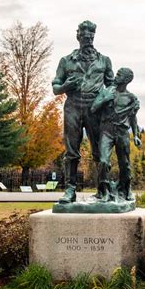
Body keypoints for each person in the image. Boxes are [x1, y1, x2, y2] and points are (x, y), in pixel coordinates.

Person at [52, 20, 114, 203]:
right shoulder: (66, 61)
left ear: (94, 37)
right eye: (84, 35)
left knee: (99, 151)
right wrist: (65, 86)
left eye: (91, 35)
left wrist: (102, 98)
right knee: (71, 149)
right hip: (73, 105)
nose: (88, 38)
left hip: (95, 107)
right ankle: (70, 190)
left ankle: (103, 189)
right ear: (78, 36)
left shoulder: (104, 60)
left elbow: (112, 86)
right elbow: (55, 87)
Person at [90, 68, 141, 201]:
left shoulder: (131, 98)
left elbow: (133, 118)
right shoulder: (107, 91)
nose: (115, 76)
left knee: (125, 163)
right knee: (103, 161)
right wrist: (104, 99)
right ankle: (104, 191)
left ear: (126, 80)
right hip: (106, 130)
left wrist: (136, 135)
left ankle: (126, 189)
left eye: (118, 75)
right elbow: (93, 108)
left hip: (122, 132)